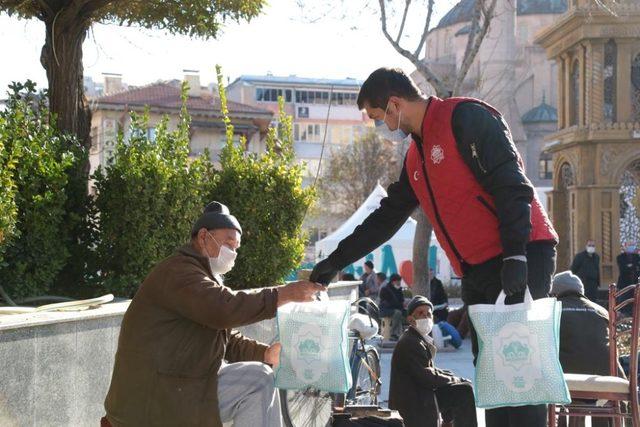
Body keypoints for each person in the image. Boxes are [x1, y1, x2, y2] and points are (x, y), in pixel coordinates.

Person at [311, 67, 558, 427]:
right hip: (476, 266)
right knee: (491, 368)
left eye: (380, 118)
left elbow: (513, 185)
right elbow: (386, 217)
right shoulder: (416, 158)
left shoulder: (467, 118)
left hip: (522, 250)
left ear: (395, 104)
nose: (383, 127)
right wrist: (335, 261)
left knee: (520, 367)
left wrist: (516, 255)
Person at [103, 201, 323, 427]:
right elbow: (225, 310)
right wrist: (285, 294)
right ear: (204, 237)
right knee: (258, 380)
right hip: (153, 399)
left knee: (258, 377)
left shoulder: (200, 275)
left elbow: (222, 336)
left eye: (236, 248)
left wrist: (266, 353)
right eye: (228, 244)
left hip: (177, 386)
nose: (233, 253)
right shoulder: (179, 272)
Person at [389, 296, 477, 427]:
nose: (425, 317)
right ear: (411, 320)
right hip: (414, 403)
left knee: (460, 386)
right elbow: (427, 377)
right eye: (420, 313)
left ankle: (447, 423)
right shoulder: (411, 342)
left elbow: (429, 370)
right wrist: (454, 380)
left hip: (420, 394)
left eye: (428, 313)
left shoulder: (416, 338)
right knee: (464, 391)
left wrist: (453, 377)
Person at [551, 271, 623, 427]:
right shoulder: (602, 310)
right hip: (605, 380)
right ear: (581, 291)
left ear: (555, 292)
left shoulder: (551, 311)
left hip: (568, 381)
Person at [379, 273, 406, 340]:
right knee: (398, 313)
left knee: (406, 312)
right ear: (392, 282)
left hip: (395, 308)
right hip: (385, 310)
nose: (399, 283)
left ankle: (403, 333)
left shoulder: (399, 289)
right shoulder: (385, 289)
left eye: (399, 281)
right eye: (397, 282)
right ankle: (393, 334)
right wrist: (398, 305)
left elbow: (401, 300)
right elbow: (389, 303)